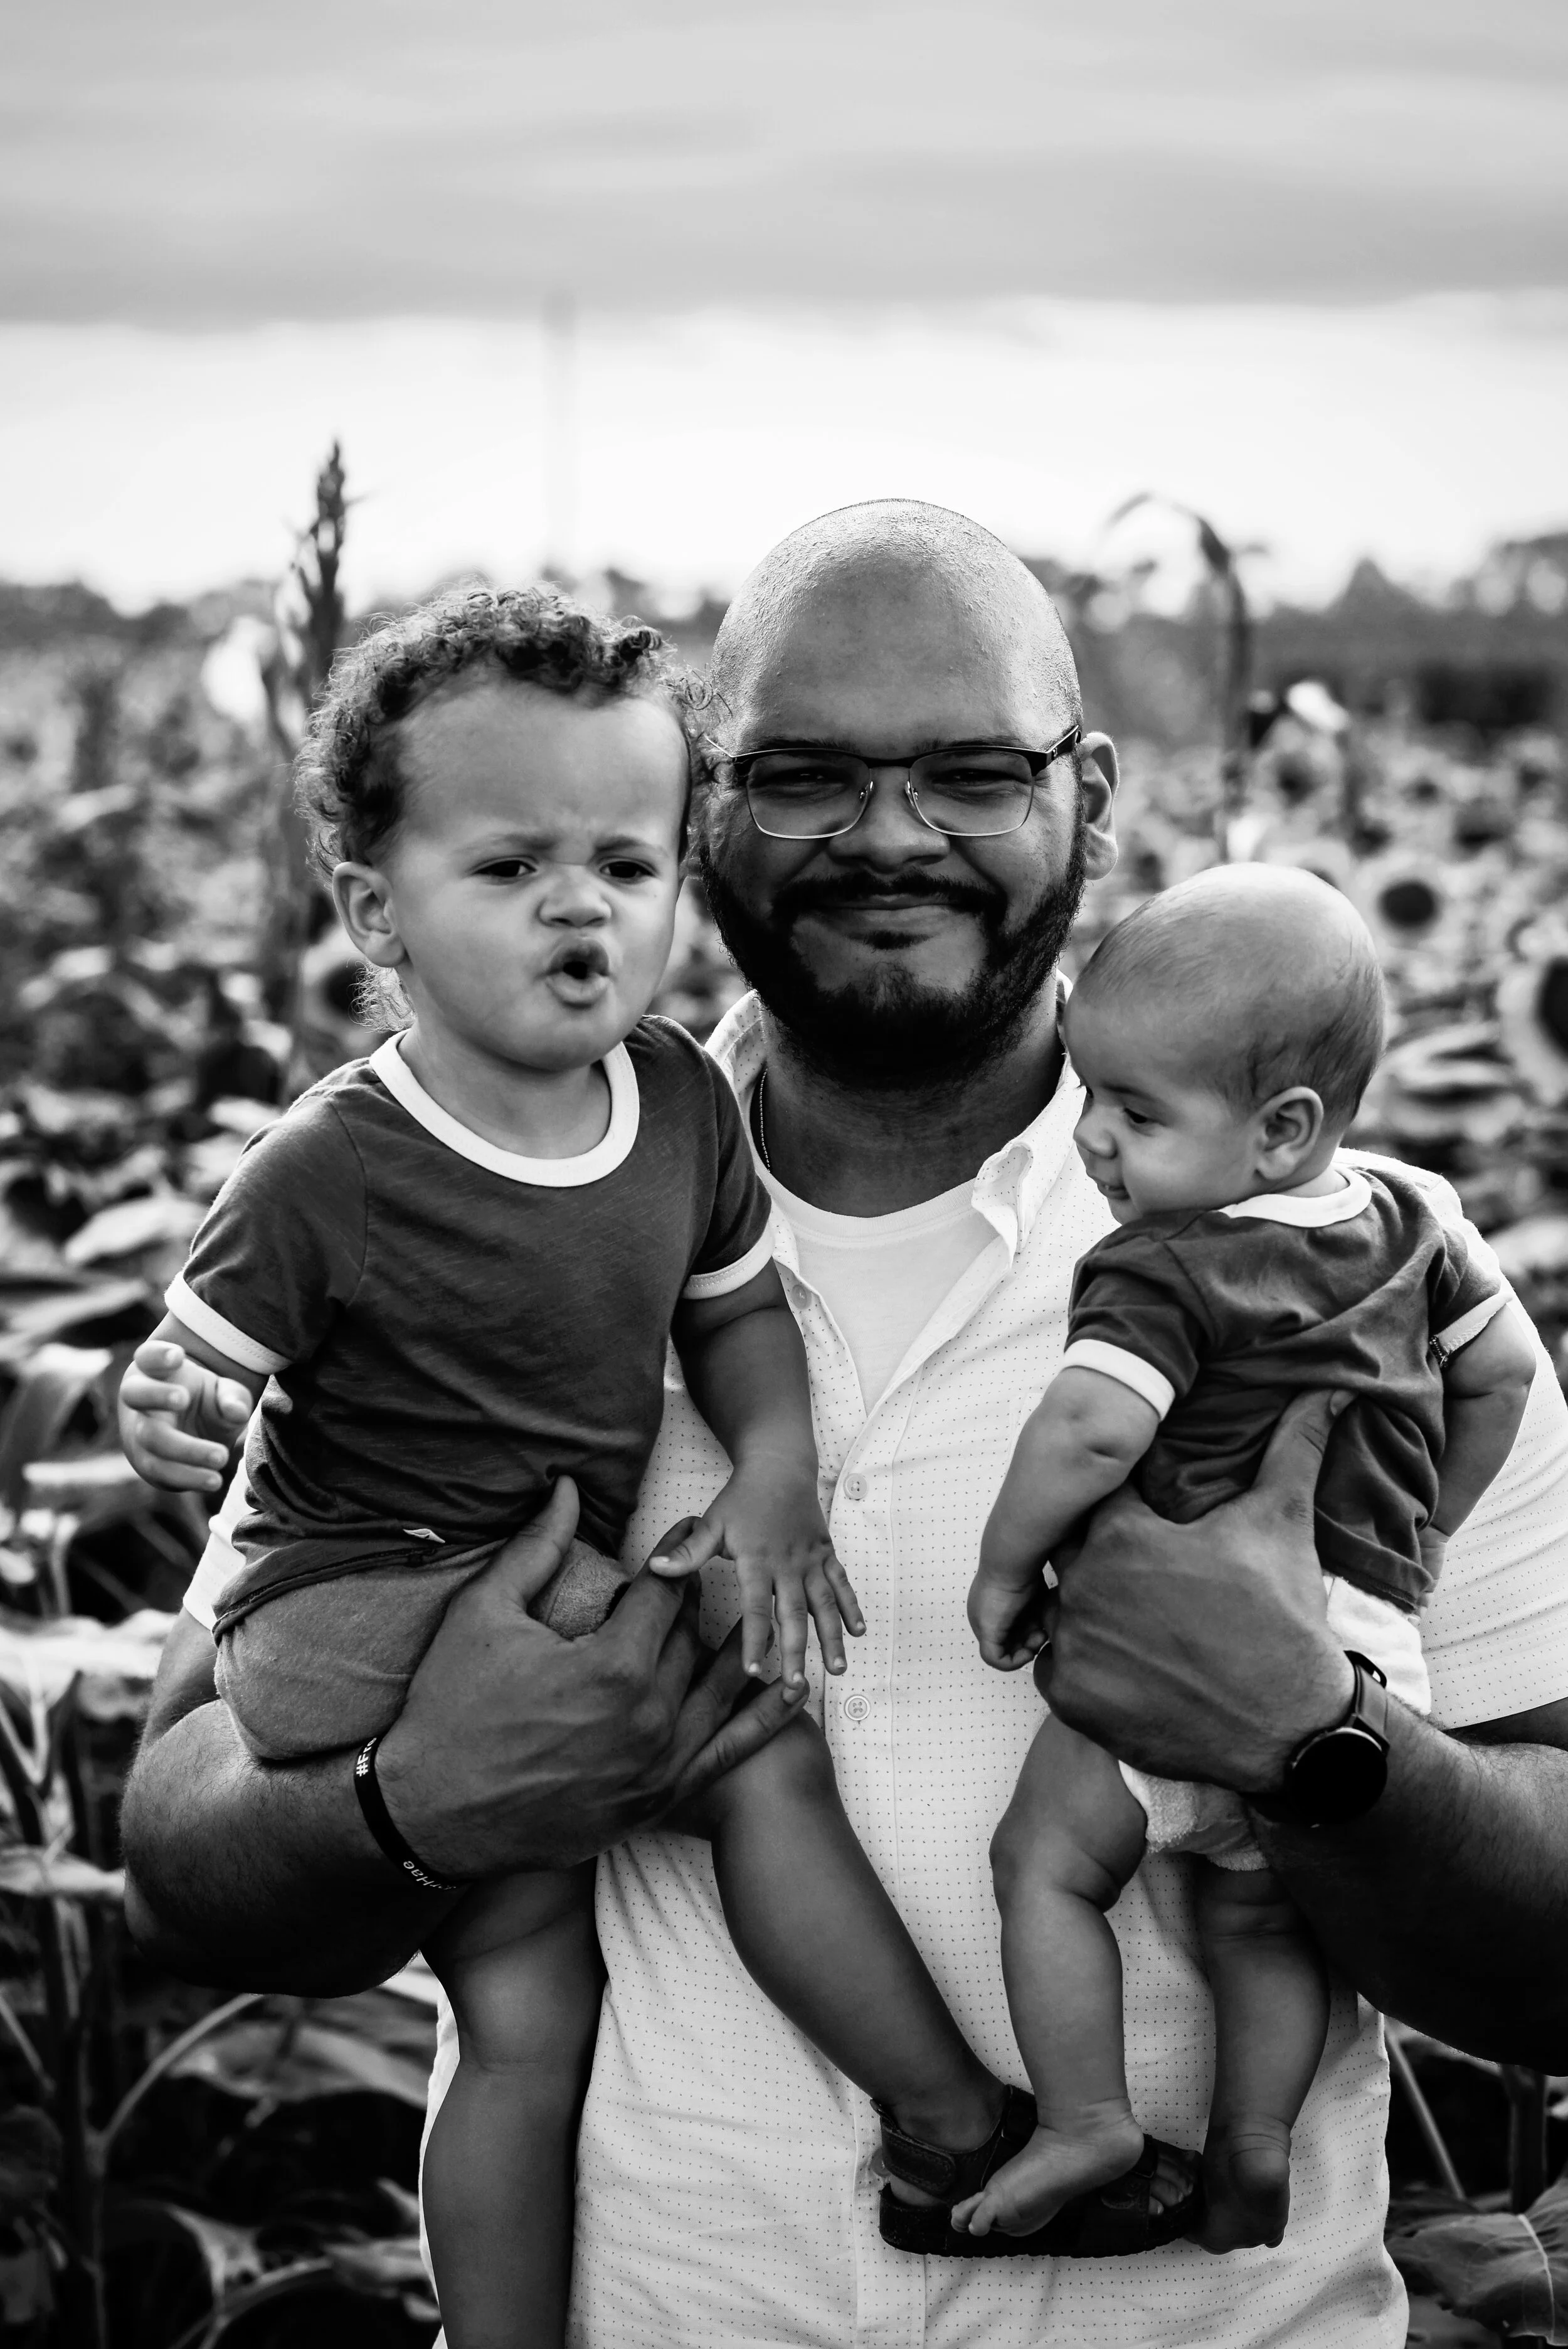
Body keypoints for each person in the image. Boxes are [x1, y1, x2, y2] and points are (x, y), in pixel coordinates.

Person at [121, 503, 1568, 2349]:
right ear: (706, 810)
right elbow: (179, 1854)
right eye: (801, 776)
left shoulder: (1357, 1268)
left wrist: (1317, 1741)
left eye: (971, 772)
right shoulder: (456, 1201)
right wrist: (409, 1802)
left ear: (1087, 797)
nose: (889, 836)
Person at [120, 583, 1039, 2347]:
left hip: (502, 1581)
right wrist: (168, 1414)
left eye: (623, 864)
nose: (578, 905)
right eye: (510, 866)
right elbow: (197, 1373)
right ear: (371, 912)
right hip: (359, 1603)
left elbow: (735, 1314)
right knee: (750, 1755)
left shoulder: (674, 1105)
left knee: (528, 2018)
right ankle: (951, 2121)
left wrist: (770, 1469)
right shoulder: (330, 1166)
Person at [962, 866, 1537, 2255]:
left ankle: (1085, 2119)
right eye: (1088, 1097)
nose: (1093, 1139)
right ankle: (1253, 2145)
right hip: (1363, 1660)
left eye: (1135, 1113)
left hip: (1187, 1639)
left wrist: (1003, 1570)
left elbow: (1094, 1430)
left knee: (1046, 1866)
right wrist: (1415, 1543)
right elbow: (1505, 1374)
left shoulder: (1170, 1263)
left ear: (1280, 1130)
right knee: (1262, 1924)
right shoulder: (1415, 1223)